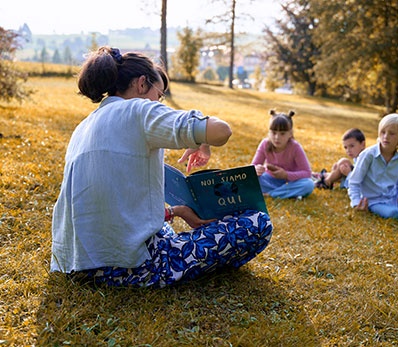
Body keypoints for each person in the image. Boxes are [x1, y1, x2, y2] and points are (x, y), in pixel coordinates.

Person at [50, 47, 273, 287]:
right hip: (128, 267)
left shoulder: (84, 126)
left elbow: (114, 199)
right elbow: (222, 131)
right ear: (142, 84)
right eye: (160, 94)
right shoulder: (140, 110)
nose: (159, 101)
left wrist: (176, 211)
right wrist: (203, 140)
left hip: (75, 264)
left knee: (165, 229)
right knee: (258, 223)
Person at [251, 110, 315, 199]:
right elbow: (252, 167)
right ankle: (287, 193)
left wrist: (286, 175)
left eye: (282, 134)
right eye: (274, 133)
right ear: (269, 132)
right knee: (250, 180)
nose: (277, 137)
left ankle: (271, 194)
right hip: (268, 180)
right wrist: (256, 169)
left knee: (308, 184)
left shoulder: (295, 147)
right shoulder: (265, 144)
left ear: (290, 133)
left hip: (290, 183)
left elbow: (307, 173)